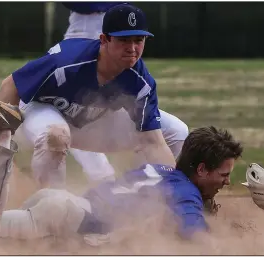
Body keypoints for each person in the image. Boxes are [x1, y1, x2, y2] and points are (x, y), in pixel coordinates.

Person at [0, 4, 188, 192]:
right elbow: (11, 84)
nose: (132, 48)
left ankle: (147, 200)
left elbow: (153, 142)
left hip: (91, 122)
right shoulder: (66, 61)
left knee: (176, 131)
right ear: (104, 40)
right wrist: (2, 142)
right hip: (40, 113)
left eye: (138, 40)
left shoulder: (141, 81)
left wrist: (180, 192)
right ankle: (49, 208)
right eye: (123, 40)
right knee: (56, 136)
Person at [0, 126, 243, 245]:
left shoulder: (163, 171)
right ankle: (1, 140)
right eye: (223, 174)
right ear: (202, 169)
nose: (227, 182)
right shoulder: (185, 194)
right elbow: (198, 239)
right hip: (64, 217)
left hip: (61, 205)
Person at [59, 2, 189, 185]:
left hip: (122, 24)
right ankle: (102, 179)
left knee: (174, 131)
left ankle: (140, 187)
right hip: (84, 26)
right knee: (78, 110)